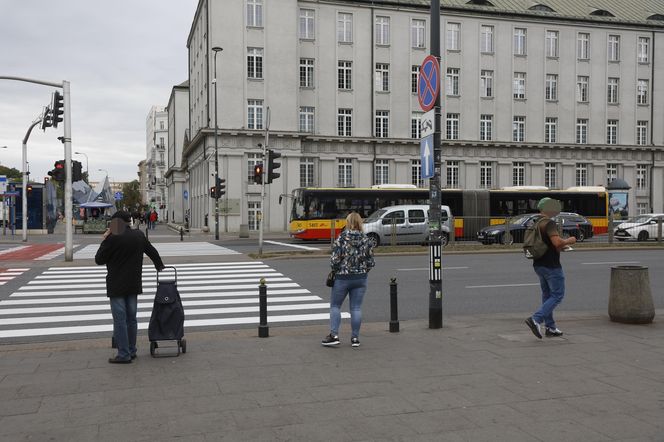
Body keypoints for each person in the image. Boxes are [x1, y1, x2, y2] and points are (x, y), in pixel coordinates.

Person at [95, 210, 165, 363]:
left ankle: (124, 354)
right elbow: (152, 251)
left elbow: (99, 259)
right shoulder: (139, 235)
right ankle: (132, 350)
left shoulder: (112, 238)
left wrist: (105, 239)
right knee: (131, 318)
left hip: (117, 285)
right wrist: (159, 265)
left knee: (120, 319)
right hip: (133, 283)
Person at [525, 198, 576, 339]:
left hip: (538, 263)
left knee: (547, 296)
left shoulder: (536, 222)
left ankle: (550, 327)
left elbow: (547, 243)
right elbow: (557, 242)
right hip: (551, 265)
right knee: (557, 295)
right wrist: (570, 240)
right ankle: (536, 319)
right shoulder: (549, 223)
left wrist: (561, 247)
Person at [322, 212, 375, 348]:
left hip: (342, 277)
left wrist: (336, 270)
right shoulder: (366, 239)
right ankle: (355, 338)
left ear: (348, 222)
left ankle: (334, 335)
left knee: (335, 306)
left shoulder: (342, 238)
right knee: (356, 308)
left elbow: (334, 260)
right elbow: (371, 262)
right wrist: (363, 270)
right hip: (361, 278)